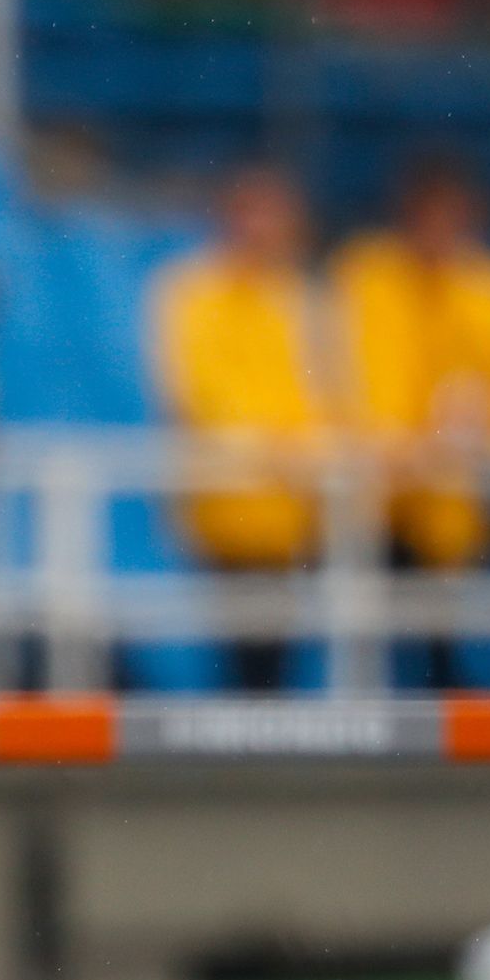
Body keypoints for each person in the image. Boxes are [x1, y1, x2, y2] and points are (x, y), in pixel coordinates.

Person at [331, 156, 490, 685]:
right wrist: (400, 447)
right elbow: (345, 380)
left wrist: (477, 433)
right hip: (372, 499)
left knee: (446, 648)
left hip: (458, 507)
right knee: (373, 644)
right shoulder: (367, 277)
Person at [148, 166, 330, 690]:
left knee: (272, 661)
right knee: (244, 658)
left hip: (293, 512)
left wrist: (297, 453)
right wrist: (273, 447)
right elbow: (194, 394)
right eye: (251, 212)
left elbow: (323, 394)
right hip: (224, 507)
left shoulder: (301, 298)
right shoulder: (191, 291)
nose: (260, 228)